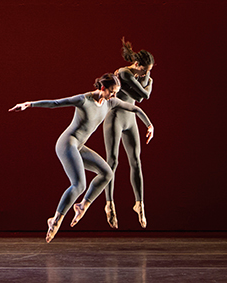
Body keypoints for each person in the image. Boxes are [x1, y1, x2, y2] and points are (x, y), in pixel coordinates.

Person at [9, 73, 154, 243]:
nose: (114, 96)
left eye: (116, 93)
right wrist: (29, 104)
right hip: (67, 144)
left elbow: (134, 108)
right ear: (102, 88)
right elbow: (56, 103)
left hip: (79, 147)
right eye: (112, 92)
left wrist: (149, 125)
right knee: (79, 185)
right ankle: (55, 220)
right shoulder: (84, 100)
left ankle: (82, 206)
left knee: (107, 173)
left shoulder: (110, 102)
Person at [103, 38, 154, 229]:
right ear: (137, 64)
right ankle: (109, 204)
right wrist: (149, 82)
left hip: (130, 118)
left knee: (136, 161)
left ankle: (139, 204)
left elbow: (140, 97)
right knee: (113, 161)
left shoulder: (139, 74)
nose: (147, 73)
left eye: (149, 71)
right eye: (145, 69)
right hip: (115, 117)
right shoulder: (124, 73)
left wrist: (146, 80)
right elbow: (144, 95)